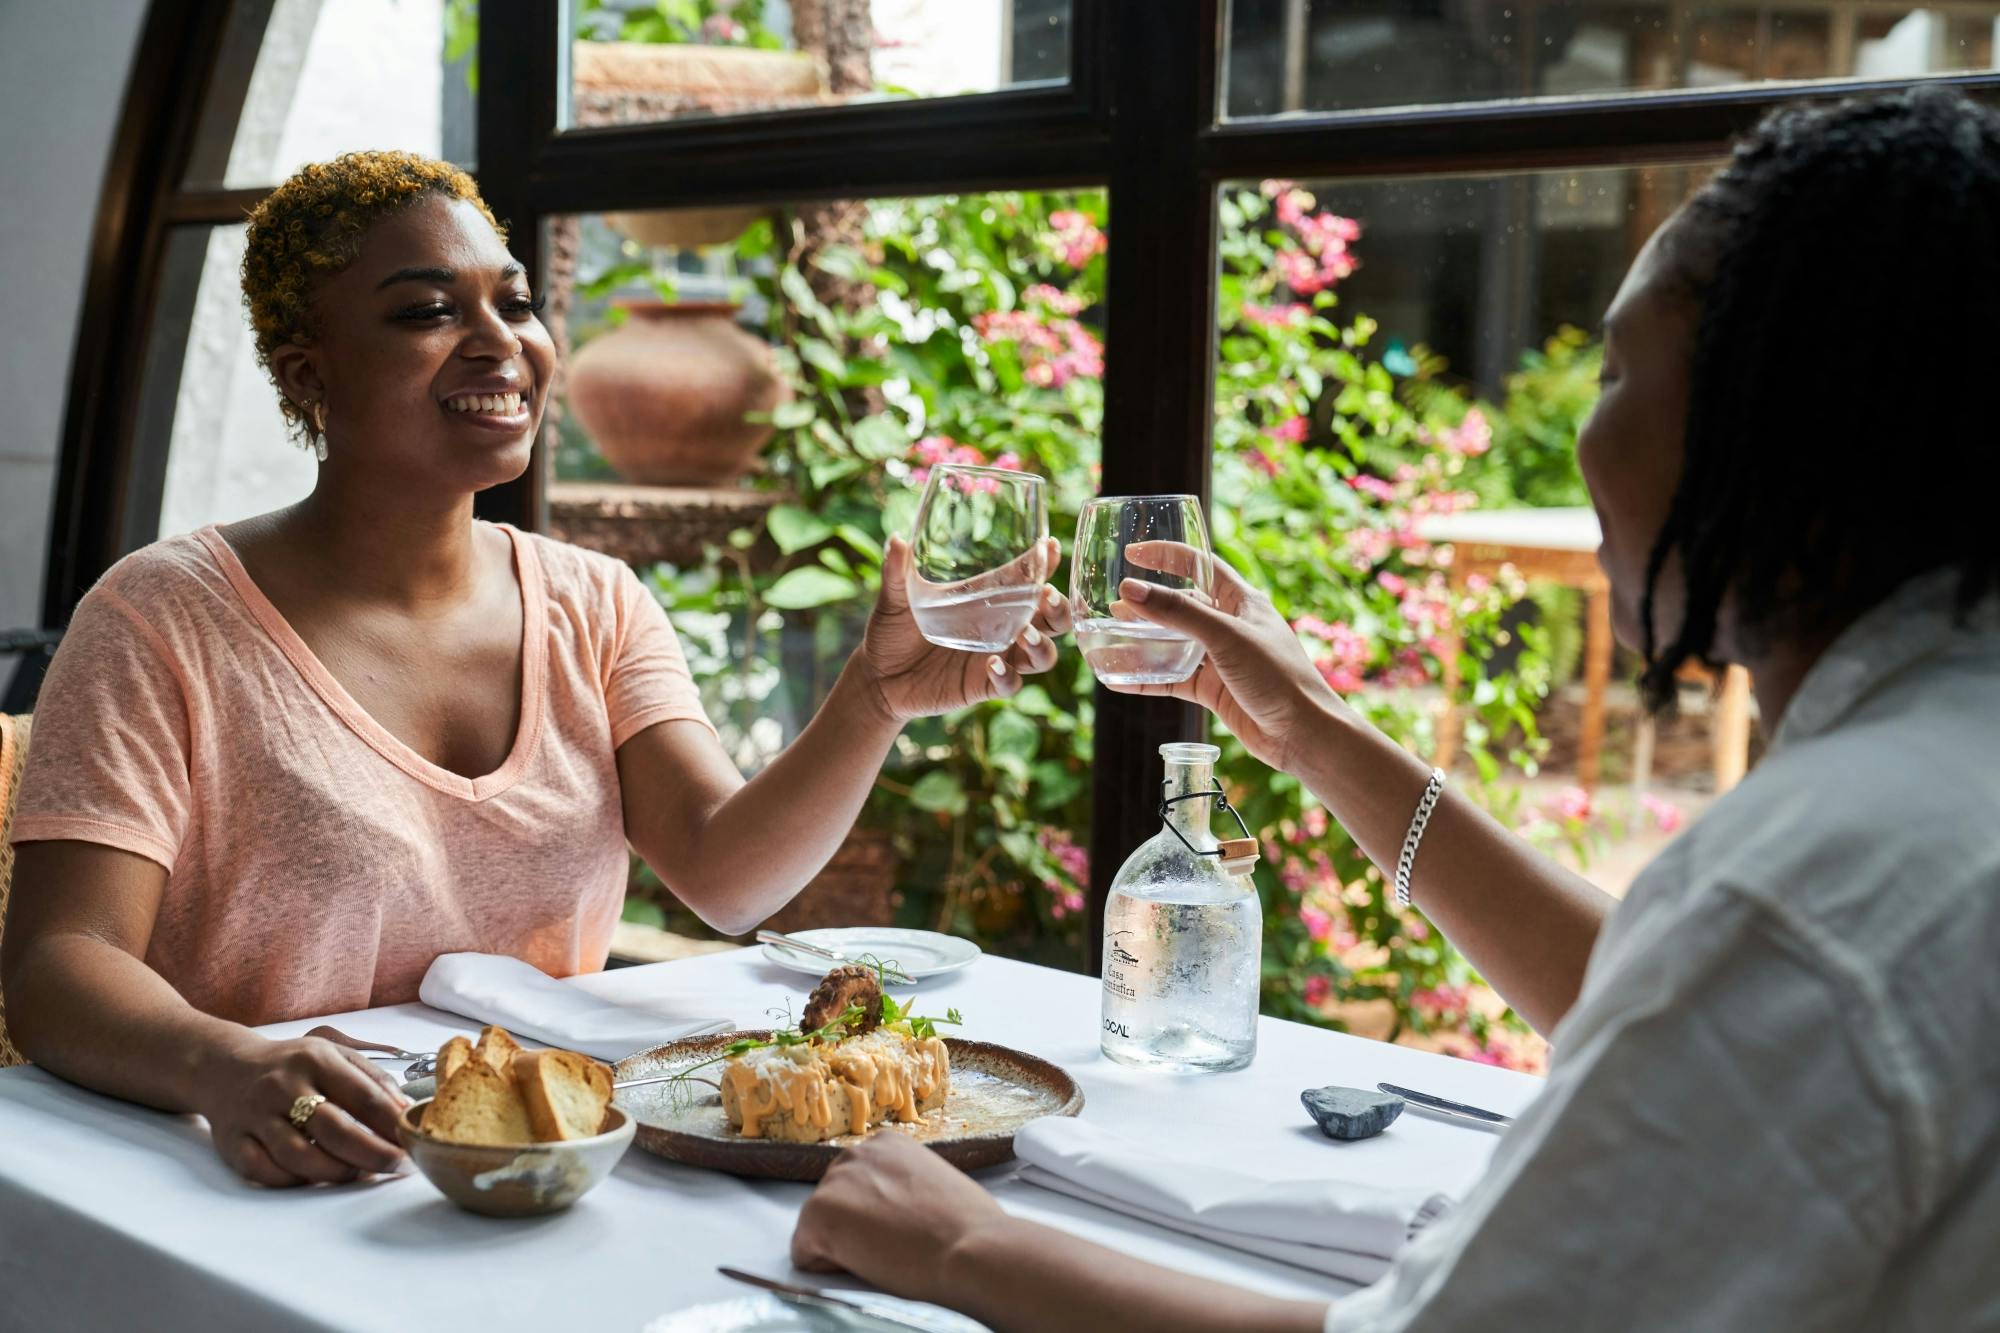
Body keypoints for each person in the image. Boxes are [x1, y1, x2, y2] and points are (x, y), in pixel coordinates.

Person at [790, 87, 2000, 1331]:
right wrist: (1307, 724)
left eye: (1615, 367)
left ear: (1776, 415)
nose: (1584, 442)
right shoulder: (1930, 785)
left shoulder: (1815, 879)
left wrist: (962, 1249)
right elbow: (1652, 981)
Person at [0, 151, 1071, 1189]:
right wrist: (224, 1063)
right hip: (263, 1162)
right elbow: (58, 965)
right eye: (426, 311)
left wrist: (875, 697)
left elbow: (727, 876)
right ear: (307, 373)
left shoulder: (594, 605)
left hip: (541, 1168)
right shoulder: (161, 617)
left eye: (512, 303)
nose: (497, 343)